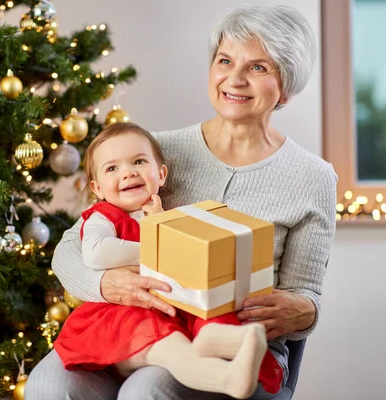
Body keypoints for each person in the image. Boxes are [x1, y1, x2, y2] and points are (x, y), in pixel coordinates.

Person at [25, 4, 337, 400]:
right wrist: (107, 283)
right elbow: (70, 250)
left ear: (287, 86)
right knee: (47, 384)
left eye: (258, 68)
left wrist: (304, 312)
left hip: (229, 338)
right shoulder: (153, 152)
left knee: (147, 390)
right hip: (132, 321)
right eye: (225, 61)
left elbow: (305, 296)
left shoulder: (313, 177)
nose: (234, 80)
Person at [53, 122, 272, 399]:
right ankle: (227, 379)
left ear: (161, 174)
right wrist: (160, 246)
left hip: (168, 306)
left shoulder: (166, 214)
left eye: (139, 162)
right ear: (97, 188)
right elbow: (96, 253)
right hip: (121, 314)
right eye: (112, 168)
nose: (129, 172)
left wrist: (161, 223)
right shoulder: (102, 216)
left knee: (205, 317)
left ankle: (234, 340)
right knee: (171, 346)